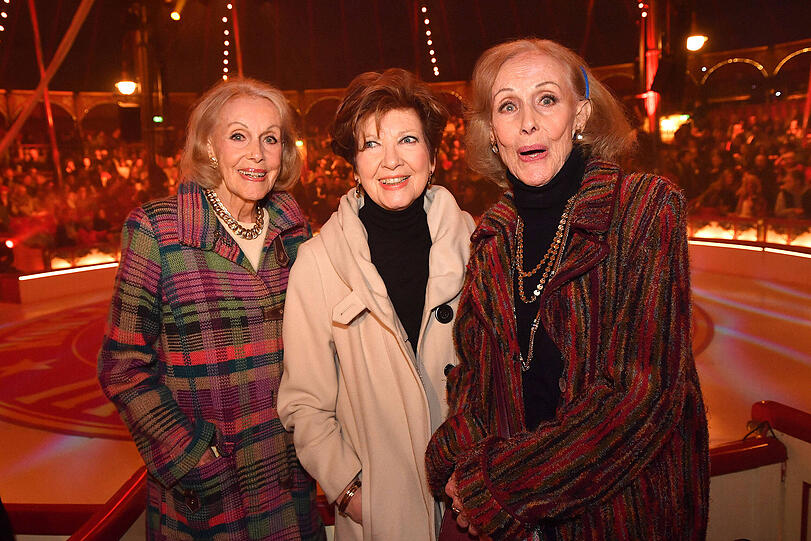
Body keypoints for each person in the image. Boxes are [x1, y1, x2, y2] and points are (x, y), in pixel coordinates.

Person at [425, 39, 709, 540]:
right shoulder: (493, 237)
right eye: (508, 105)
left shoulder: (644, 210)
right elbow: (478, 383)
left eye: (547, 99)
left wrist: (499, 488)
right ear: (493, 133)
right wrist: (450, 459)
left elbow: (638, 396)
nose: (528, 122)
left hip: (618, 517)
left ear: (580, 116)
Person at [98, 77, 325, 541]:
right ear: (208, 145)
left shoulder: (293, 229)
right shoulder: (158, 231)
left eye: (271, 138)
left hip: (287, 481)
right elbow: (122, 367)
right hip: (207, 495)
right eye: (238, 135)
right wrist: (190, 456)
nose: (257, 154)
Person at [277, 68, 475, 540]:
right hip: (382, 518)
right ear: (355, 162)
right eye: (371, 144)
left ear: (432, 156)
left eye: (407, 140)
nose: (390, 161)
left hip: (472, 507)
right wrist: (352, 494)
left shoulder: (477, 240)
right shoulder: (318, 261)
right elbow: (305, 403)